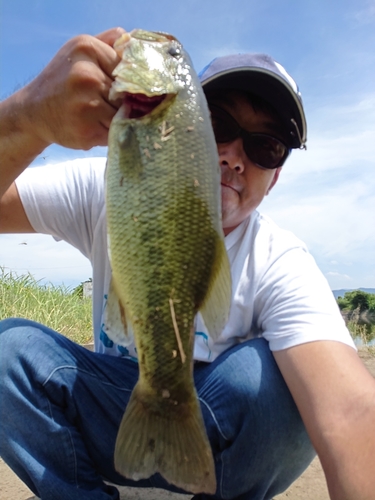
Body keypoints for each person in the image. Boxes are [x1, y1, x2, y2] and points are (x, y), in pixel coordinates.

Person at [0, 27, 374, 500]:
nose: (236, 157)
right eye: (220, 123)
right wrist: (28, 116)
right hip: (117, 412)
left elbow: (353, 413)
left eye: (266, 146)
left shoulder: (281, 260)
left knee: (279, 384)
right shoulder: (110, 184)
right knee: (7, 352)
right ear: (193, 126)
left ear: (275, 177)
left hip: (216, 450)